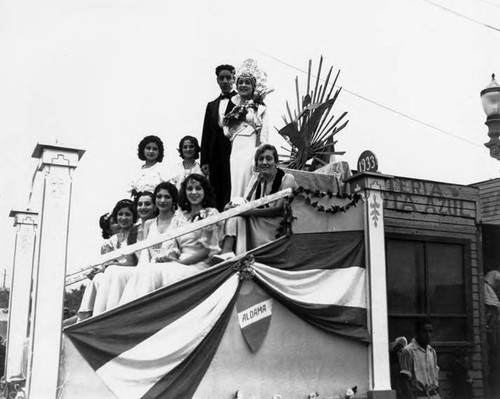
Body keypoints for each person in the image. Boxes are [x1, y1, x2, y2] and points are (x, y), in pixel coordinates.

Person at [119, 174, 222, 304]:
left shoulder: (211, 213)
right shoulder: (180, 217)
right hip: (179, 263)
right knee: (148, 269)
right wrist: (169, 258)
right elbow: (173, 247)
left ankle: (139, 311)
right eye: (189, 189)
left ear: (205, 191)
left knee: (158, 272)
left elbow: (207, 251)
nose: (193, 192)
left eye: (198, 188)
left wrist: (178, 263)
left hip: (199, 265)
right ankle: (129, 310)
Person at [223, 144, 297, 255]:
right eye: (261, 159)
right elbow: (246, 202)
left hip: (276, 226)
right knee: (238, 204)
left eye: (269, 159)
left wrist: (248, 212)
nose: (264, 162)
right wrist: (231, 207)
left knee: (241, 213)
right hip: (259, 219)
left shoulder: (287, 178)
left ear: (276, 162)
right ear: (257, 163)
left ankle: (235, 253)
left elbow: (279, 209)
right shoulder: (256, 179)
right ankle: (228, 252)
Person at [77, 199, 139, 320]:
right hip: (113, 271)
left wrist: (112, 265)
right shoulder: (112, 240)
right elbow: (106, 263)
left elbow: (133, 262)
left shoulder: (137, 233)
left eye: (128, 214)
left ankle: (109, 314)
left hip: (131, 271)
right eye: (120, 214)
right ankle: (87, 315)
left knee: (111, 273)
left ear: (133, 216)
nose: (123, 218)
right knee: (98, 278)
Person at [223, 59, 272, 199]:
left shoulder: (259, 108)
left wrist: (259, 155)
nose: (243, 85)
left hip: (251, 149)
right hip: (236, 150)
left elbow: (264, 134)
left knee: (249, 181)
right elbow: (226, 132)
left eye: (247, 82)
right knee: (236, 182)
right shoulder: (233, 109)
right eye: (240, 82)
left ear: (253, 86)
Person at [201, 64, 236, 211]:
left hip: (234, 153)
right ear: (217, 80)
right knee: (216, 192)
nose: (225, 81)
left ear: (234, 79)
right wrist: (204, 161)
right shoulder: (211, 105)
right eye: (222, 78)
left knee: (233, 188)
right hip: (215, 158)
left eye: (228, 77)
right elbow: (206, 134)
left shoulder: (241, 100)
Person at [399, 318, 441, 399]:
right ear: (417, 332)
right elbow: (404, 383)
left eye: (430, 332)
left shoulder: (432, 351)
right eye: (425, 332)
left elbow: (436, 379)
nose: (428, 335)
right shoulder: (408, 351)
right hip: (419, 396)